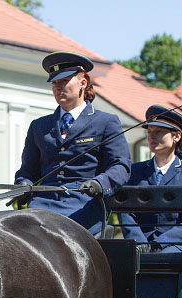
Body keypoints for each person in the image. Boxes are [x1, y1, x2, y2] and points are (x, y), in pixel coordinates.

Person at [14, 52, 130, 236]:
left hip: (84, 204)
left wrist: (100, 183)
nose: (58, 88)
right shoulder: (39, 126)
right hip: (42, 203)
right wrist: (23, 184)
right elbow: (28, 170)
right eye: (54, 83)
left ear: (83, 82)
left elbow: (121, 166)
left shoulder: (106, 122)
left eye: (64, 81)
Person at [119, 105, 182, 253]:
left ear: (176, 136)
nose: (152, 136)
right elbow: (126, 213)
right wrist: (140, 242)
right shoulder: (135, 172)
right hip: (139, 244)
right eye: (149, 132)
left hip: (176, 246)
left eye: (159, 132)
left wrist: (161, 243)